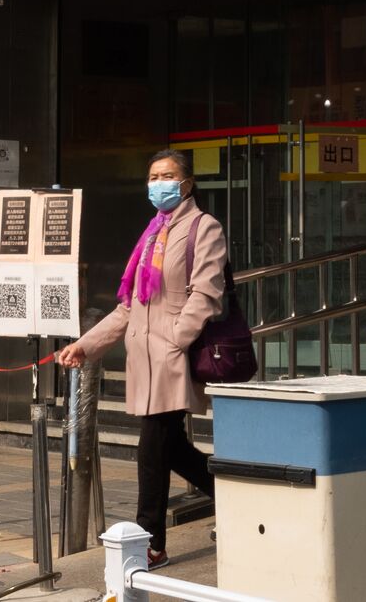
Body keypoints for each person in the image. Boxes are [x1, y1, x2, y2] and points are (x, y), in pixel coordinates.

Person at [57, 149, 224, 570]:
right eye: (152, 176)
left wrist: (175, 341)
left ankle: (149, 541)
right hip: (144, 358)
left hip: (171, 358)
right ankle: (234, 496)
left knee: (152, 448)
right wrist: (86, 345)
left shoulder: (204, 228)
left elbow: (206, 294)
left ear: (187, 183)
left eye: (167, 175)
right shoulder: (152, 233)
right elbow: (129, 306)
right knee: (172, 449)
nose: (158, 184)